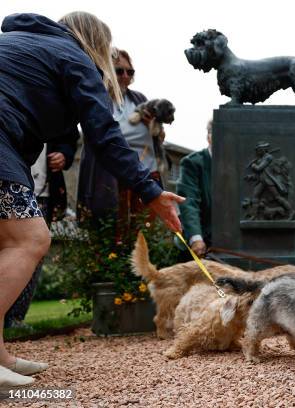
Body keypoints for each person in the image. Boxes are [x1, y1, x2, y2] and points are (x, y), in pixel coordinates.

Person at [0, 12, 183, 387]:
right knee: (30, 238)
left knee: (7, 241)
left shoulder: (25, 45)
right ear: (96, 43)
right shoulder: (73, 56)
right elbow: (103, 134)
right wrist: (149, 190)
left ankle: (0, 353)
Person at [78, 48, 165, 226]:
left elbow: (159, 137)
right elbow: (101, 135)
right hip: (111, 175)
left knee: (145, 232)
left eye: (129, 71)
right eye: (119, 71)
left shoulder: (140, 99)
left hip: (147, 173)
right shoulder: (98, 99)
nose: (125, 76)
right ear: (107, 70)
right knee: (111, 231)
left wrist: (154, 127)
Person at [4, 141, 77, 329]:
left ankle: (16, 317)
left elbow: (69, 136)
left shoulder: (56, 114)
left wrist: (64, 153)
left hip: (42, 191)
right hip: (8, 183)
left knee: (34, 253)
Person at [177, 120, 213, 256]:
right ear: (209, 137)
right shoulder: (192, 163)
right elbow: (189, 202)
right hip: (204, 241)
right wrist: (196, 238)